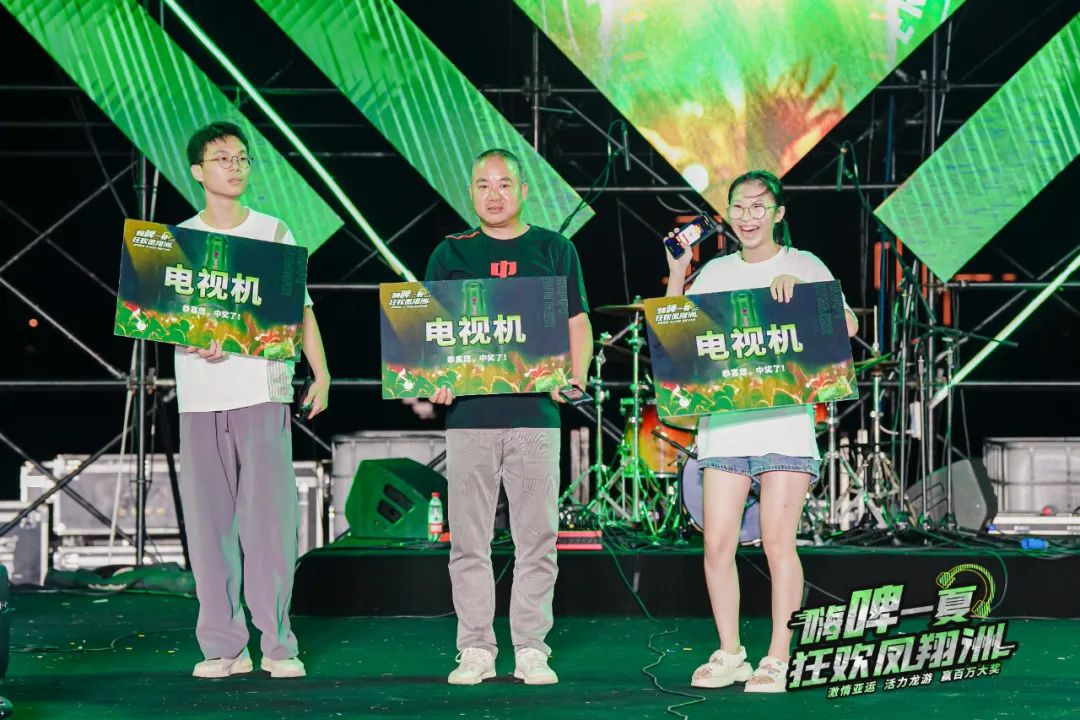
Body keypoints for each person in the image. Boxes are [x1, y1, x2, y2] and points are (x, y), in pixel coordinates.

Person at [664, 170, 857, 693]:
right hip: (725, 429)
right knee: (716, 545)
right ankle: (730, 652)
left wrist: (803, 296)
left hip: (784, 428)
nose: (747, 217)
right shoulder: (717, 271)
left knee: (777, 543)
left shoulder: (803, 263)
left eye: (757, 206)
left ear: (778, 213)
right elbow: (677, 336)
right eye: (738, 207)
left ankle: (778, 656)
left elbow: (849, 326)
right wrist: (678, 274)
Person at [426, 148, 593, 686]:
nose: (493, 194)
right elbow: (430, 331)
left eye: (503, 184)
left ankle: (530, 648)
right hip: (469, 418)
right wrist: (433, 377)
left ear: (523, 191)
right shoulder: (450, 252)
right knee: (468, 543)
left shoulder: (554, 248)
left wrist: (576, 375)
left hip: (536, 416)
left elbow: (578, 321)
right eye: (483, 185)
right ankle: (475, 647)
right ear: (471, 193)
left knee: (537, 539)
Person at [175, 121, 330, 679]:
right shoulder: (179, 241)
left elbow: (300, 308)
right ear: (198, 171)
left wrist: (322, 372)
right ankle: (224, 647)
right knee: (209, 528)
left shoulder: (272, 231)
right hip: (199, 398)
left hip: (261, 391)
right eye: (222, 158)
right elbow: (160, 317)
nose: (235, 166)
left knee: (268, 525)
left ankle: (279, 645)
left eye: (242, 158)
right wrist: (192, 336)